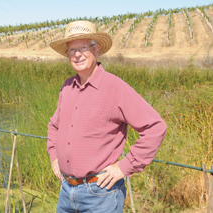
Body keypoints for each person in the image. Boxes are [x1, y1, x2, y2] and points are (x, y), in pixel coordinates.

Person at [47, 20, 167, 213]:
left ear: (97, 50)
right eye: (71, 50)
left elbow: (155, 127)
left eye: (83, 47)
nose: (77, 55)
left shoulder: (115, 87)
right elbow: (54, 126)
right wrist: (54, 156)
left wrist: (124, 167)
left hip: (101, 193)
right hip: (66, 191)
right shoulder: (67, 87)